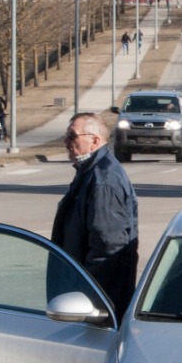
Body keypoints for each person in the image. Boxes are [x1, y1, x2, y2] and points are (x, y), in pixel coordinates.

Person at [51, 112, 138, 316]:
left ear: (94, 141)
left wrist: (91, 298)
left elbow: (108, 246)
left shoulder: (103, 181)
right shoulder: (90, 173)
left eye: (72, 136)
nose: (66, 141)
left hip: (98, 305)